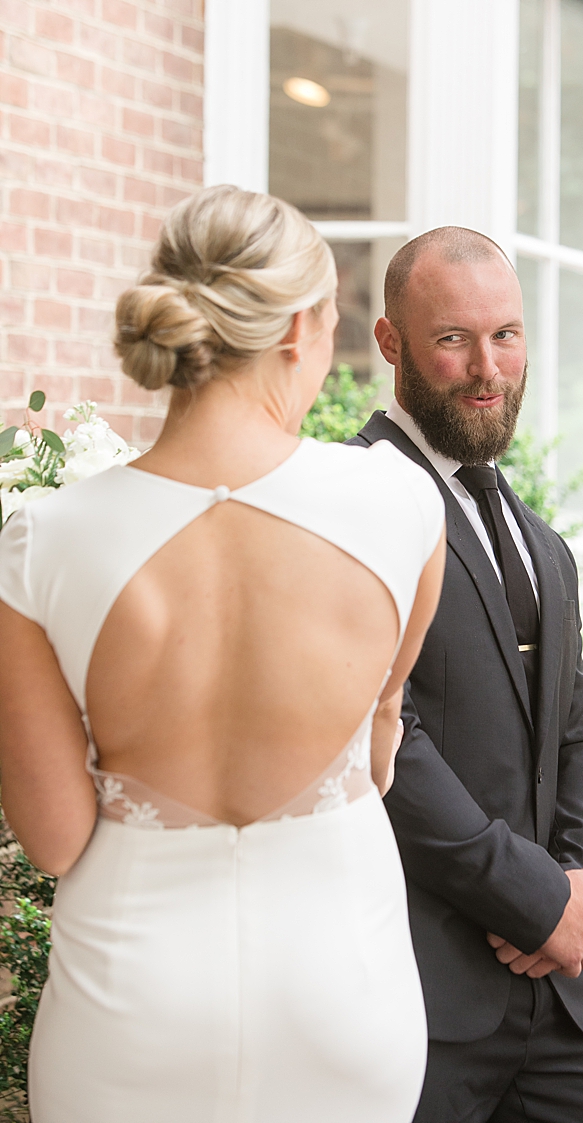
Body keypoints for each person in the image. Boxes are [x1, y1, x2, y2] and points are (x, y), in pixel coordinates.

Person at [0, 186, 446, 1121]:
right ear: (297, 329)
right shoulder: (398, 503)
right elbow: (378, 743)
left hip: (131, 1005)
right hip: (342, 986)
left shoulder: (40, 542)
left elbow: (54, 836)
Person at [349, 226, 583, 1123]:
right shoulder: (352, 507)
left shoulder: (541, 541)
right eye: (452, 339)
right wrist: (533, 897)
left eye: (505, 335)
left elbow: (580, 725)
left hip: (560, 994)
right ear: (391, 342)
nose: (486, 367)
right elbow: (380, 734)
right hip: (423, 994)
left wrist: (579, 886)